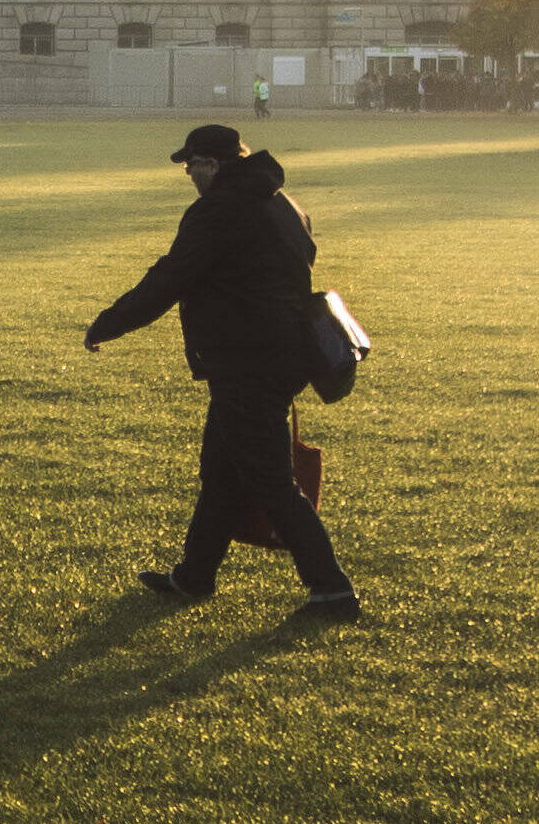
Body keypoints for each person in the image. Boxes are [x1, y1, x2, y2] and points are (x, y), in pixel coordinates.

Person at [83, 120, 363, 620]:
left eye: (192, 166)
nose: (189, 174)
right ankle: (195, 575)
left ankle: (332, 590)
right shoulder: (285, 204)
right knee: (221, 471)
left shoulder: (217, 211)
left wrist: (110, 323)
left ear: (214, 164)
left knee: (270, 480)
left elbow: (171, 277)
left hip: (247, 360)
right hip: (279, 354)